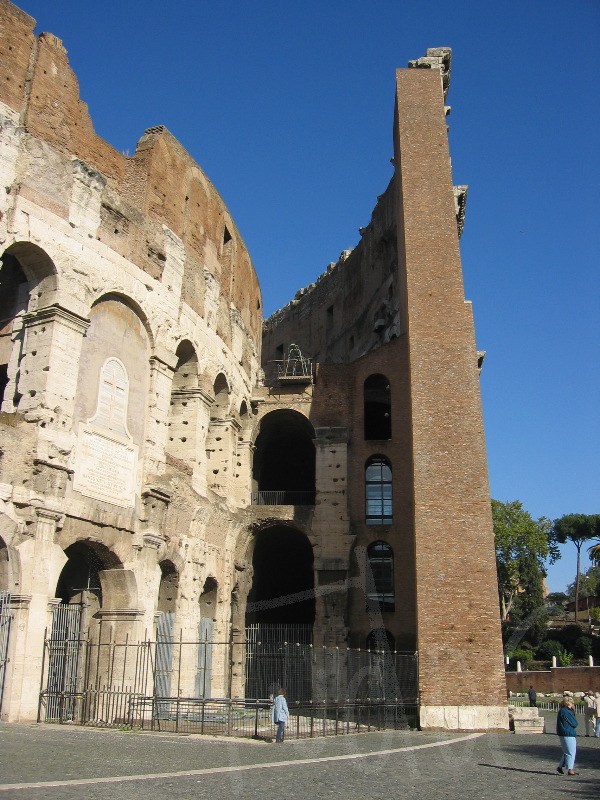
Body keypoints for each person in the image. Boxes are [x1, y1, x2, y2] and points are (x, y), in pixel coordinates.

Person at [556, 697, 578, 775]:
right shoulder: (567, 712)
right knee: (571, 752)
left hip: (562, 732)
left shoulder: (561, 711)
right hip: (568, 733)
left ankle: (560, 766)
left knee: (566, 751)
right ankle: (570, 769)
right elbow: (574, 723)